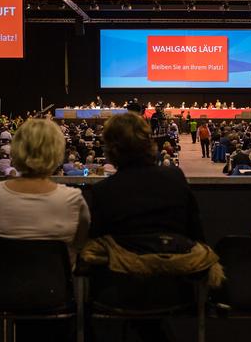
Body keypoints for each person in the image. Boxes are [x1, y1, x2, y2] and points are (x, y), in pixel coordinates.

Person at [84, 113, 220, 342]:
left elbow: (95, 251)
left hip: (121, 293)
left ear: (110, 148)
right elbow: (197, 235)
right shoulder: (175, 178)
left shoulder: (103, 191)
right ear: (148, 142)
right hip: (176, 288)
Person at [0, 118, 90, 262]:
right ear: (56, 152)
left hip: (0, 281)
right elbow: (78, 246)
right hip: (55, 281)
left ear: (17, 149)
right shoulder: (73, 199)